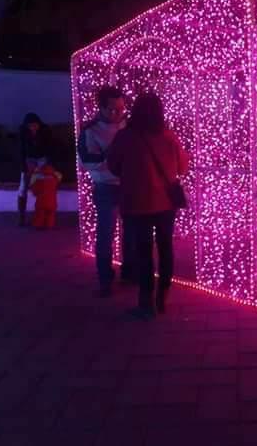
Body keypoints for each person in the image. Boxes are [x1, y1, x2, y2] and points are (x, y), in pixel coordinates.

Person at [108, 92, 190, 320]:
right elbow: (183, 167)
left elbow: (114, 166)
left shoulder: (125, 136)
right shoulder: (168, 136)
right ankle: (162, 297)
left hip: (136, 205)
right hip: (165, 204)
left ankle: (146, 303)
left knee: (143, 252)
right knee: (165, 249)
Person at [78, 86, 133, 297]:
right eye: (111, 109)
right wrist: (113, 153)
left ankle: (129, 272)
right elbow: (87, 161)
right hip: (106, 187)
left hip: (129, 185)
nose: (117, 114)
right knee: (106, 234)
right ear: (100, 108)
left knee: (131, 233)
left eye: (120, 109)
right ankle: (105, 279)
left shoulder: (128, 125)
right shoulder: (90, 131)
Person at [18, 113, 53, 226]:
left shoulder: (45, 131)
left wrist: (46, 165)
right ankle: (21, 215)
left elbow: (49, 148)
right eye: (30, 126)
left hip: (42, 160)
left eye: (35, 125)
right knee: (23, 188)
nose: (33, 128)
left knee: (43, 188)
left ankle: (42, 217)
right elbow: (21, 150)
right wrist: (24, 168)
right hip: (29, 160)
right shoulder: (23, 133)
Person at [29, 163, 62, 229]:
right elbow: (59, 179)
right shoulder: (54, 179)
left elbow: (34, 191)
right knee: (50, 214)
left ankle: (38, 225)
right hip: (52, 201)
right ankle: (49, 225)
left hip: (41, 201)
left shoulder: (39, 179)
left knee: (40, 214)